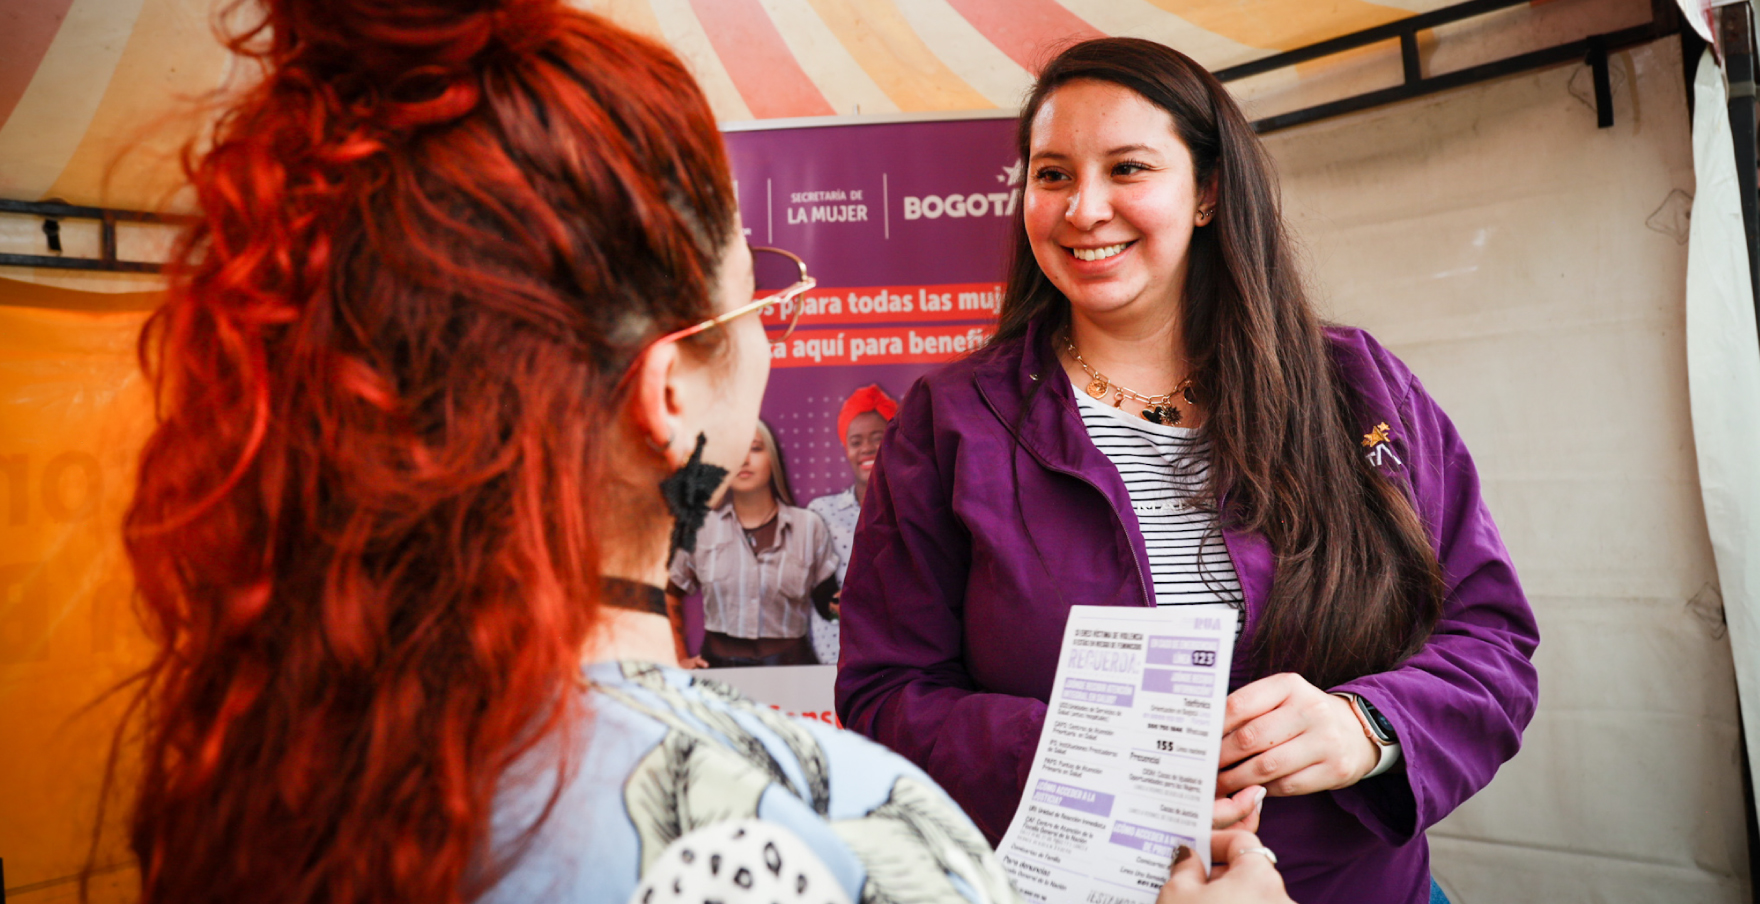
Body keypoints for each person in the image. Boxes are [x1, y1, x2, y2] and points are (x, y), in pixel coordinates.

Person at [836, 36, 1540, 904]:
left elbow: (1492, 642)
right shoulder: (951, 423)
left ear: (1207, 191)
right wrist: (1092, 759)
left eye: (1127, 168)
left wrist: (1370, 727)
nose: (1083, 208)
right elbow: (886, 693)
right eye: (1051, 174)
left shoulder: (1354, 387)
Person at [666, 420, 840, 667]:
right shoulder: (699, 527)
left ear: (774, 458)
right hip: (719, 672)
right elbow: (670, 595)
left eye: (755, 448)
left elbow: (829, 608)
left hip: (793, 676)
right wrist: (678, 657)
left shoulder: (809, 526)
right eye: (735, 452)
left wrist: (851, 607)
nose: (744, 460)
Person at [804, 384, 897, 664]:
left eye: (877, 438)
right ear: (846, 449)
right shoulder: (821, 512)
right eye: (856, 442)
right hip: (834, 659)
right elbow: (820, 593)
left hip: (897, 657)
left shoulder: (913, 509)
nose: (866, 449)